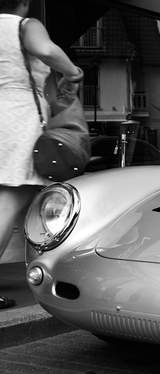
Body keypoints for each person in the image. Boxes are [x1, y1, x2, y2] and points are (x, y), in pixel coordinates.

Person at [0, 0, 83, 308]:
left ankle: (44, 271)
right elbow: (47, 50)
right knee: (9, 200)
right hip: (16, 118)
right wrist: (73, 72)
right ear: (23, 2)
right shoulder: (25, 25)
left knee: (30, 199)